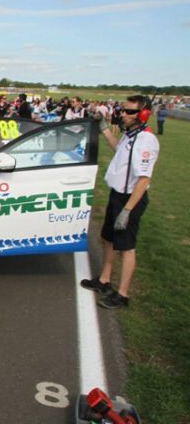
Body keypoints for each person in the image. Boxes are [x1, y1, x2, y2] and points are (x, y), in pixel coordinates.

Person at [80, 95, 160, 309]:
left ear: (143, 114)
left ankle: (123, 295)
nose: (124, 114)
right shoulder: (131, 135)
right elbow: (119, 150)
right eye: (124, 110)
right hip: (117, 194)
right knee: (108, 239)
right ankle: (104, 280)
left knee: (126, 247)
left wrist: (127, 210)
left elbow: (144, 180)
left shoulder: (146, 140)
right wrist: (104, 128)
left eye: (130, 111)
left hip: (130, 199)